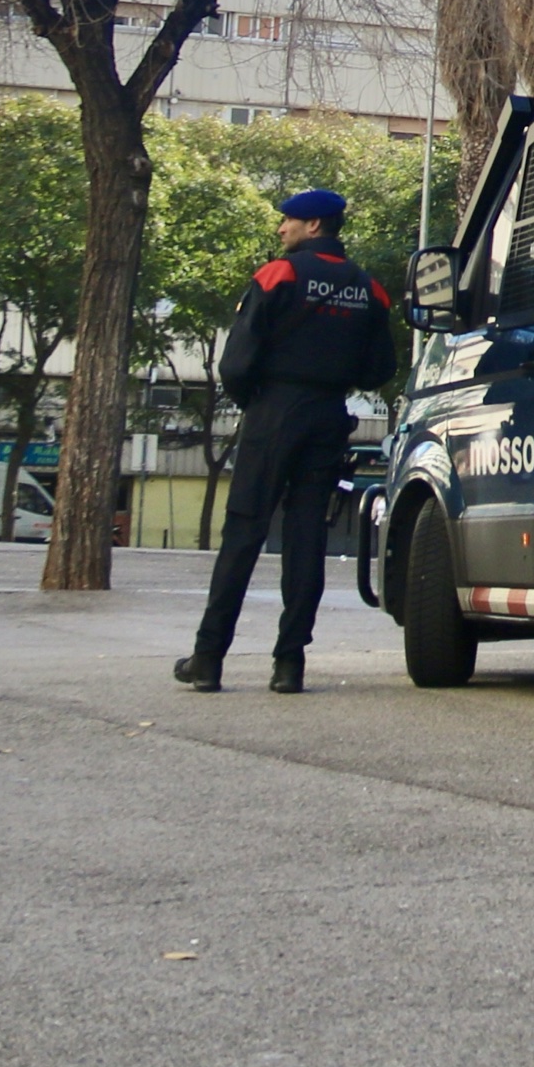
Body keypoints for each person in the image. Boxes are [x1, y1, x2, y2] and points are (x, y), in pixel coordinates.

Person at [177, 191, 399, 694]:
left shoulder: (278, 275)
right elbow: (379, 369)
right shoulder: (369, 289)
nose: (281, 229)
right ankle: (289, 663)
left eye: (289, 220)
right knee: (307, 540)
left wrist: (257, 399)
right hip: (328, 416)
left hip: (274, 414)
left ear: (313, 225)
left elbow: (235, 362)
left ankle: (208, 659)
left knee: (243, 534)